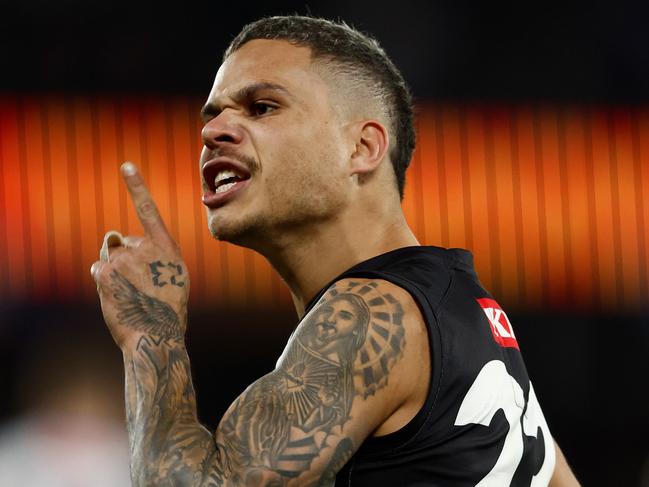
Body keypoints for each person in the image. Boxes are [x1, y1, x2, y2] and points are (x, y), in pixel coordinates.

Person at [90, 15, 580, 486]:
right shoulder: (466, 314)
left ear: (363, 148)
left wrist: (149, 330)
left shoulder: (374, 311)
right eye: (214, 114)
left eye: (262, 107)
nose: (212, 132)